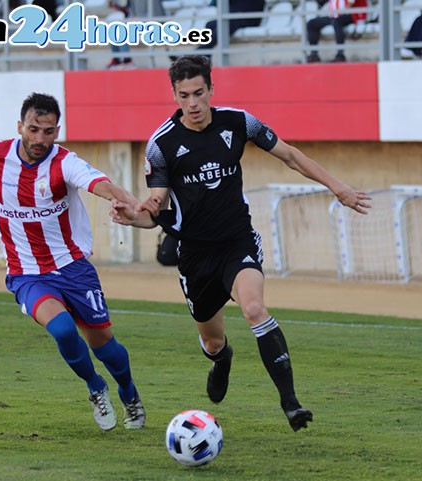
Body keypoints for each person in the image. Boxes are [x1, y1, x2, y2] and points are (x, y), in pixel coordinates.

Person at [111, 56, 371, 433]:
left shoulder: (238, 122)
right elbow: (156, 208)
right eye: (185, 95)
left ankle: (291, 404)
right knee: (213, 340)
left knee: (254, 308)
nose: (194, 103)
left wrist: (339, 188)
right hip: (194, 255)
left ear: (211, 90)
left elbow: (291, 156)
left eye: (200, 93)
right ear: (175, 95)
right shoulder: (161, 145)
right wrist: (133, 216)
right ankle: (222, 358)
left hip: (236, 241)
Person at [0, 92, 146, 432]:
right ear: (20, 126)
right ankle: (95, 387)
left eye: (48, 131)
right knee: (63, 329)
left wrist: (133, 204)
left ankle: (129, 392)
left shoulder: (65, 163)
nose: (39, 139)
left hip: (73, 267)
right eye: (33, 129)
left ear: (57, 131)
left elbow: (101, 184)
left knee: (105, 345)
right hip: (26, 273)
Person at [196, 0, 266, 51]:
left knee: (227, 23)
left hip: (248, 19)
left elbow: (254, 8)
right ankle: (206, 53)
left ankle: (202, 50)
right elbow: (217, 4)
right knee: (210, 24)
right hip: (232, 17)